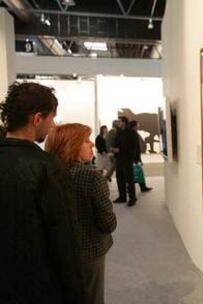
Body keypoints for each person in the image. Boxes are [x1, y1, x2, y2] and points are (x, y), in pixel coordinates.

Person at [0, 82, 84, 304]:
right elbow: (63, 241)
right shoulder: (49, 168)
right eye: (52, 118)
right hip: (36, 287)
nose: (53, 125)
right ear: (37, 119)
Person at [46, 123, 117, 304]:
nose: (92, 144)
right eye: (86, 141)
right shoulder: (92, 177)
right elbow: (108, 223)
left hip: (56, 252)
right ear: (72, 145)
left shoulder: (47, 175)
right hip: (90, 253)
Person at [113, 116, 139, 206]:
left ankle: (132, 198)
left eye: (119, 121)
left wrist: (119, 150)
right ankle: (122, 197)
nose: (118, 123)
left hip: (127, 159)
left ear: (124, 122)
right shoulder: (119, 132)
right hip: (119, 158)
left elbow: (132, 147)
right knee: (120, 178)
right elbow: (116, 143)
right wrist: (114, 149)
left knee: (129, 179)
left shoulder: (132, 133)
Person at [130, 120, 152, 192]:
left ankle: (142, 187)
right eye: (138, 125)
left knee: (138, 172)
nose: (138, 126)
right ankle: (141, 187)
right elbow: (135, 148)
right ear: (134, 126)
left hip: (134, 157)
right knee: (136, 172)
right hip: (133, 157)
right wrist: (137, 159)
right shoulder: (133, 134)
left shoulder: (133, 133)